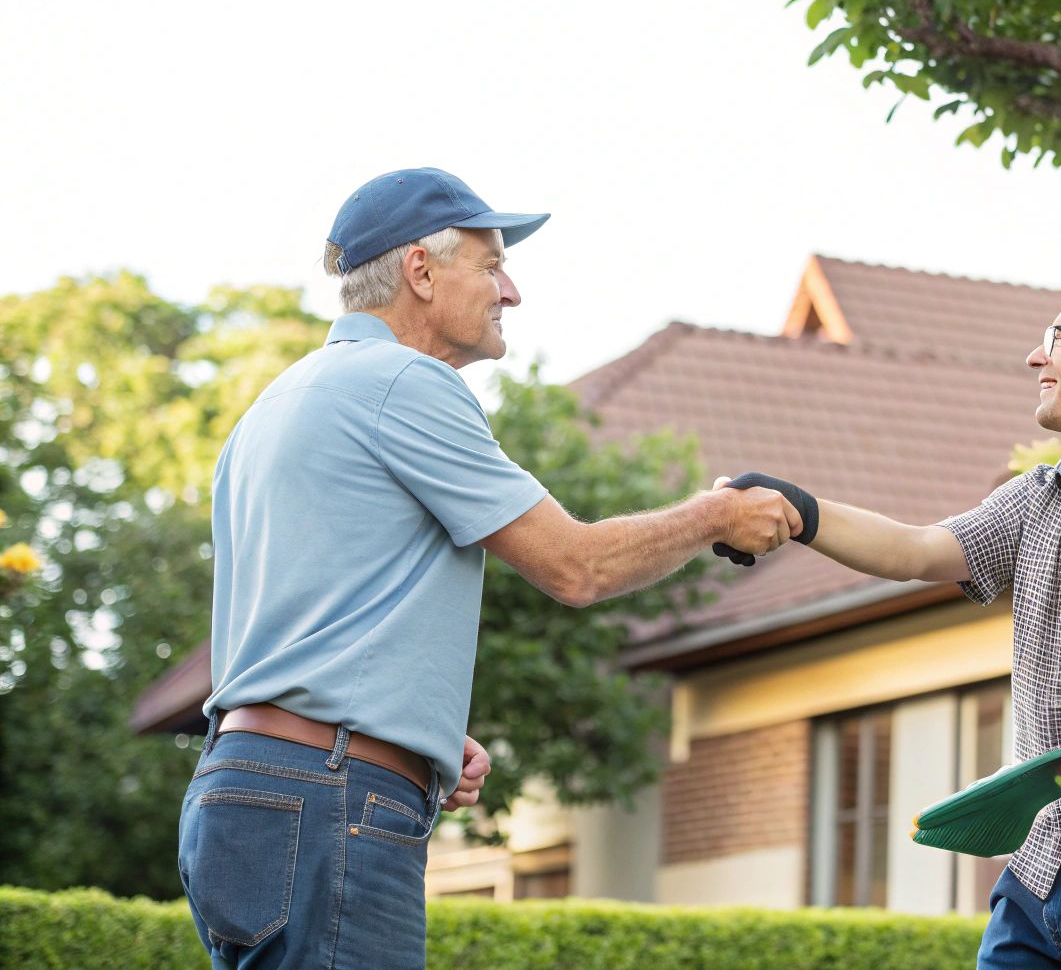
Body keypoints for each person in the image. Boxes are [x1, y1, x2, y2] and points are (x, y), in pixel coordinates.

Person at [177, 168, 801, 970]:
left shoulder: (274, 407)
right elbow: (576, 567)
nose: (511, 290)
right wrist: (717, 514)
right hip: (328, 800)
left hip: (240, 794)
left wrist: (413, 724)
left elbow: (302, 616)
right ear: (420, 271)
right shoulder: (405, 383)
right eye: (491, 263)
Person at [720, 280, 1061, 969]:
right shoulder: (1038, 499)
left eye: (1059, 339)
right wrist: (796, 509)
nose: (1037, 358)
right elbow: (918, 550)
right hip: (1038, 871)